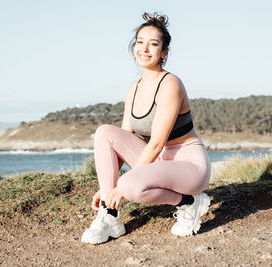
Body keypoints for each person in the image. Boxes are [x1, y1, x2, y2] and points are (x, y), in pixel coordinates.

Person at [81, 12, 211, 245]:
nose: (145, 48)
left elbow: (157, 143)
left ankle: (189, 203)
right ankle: (109, 215)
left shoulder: (170, 83)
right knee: (104, 132)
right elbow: (122, 138)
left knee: (130, 185)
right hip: (159, 162)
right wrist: (106, 189)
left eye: (153, 44)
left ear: (164, 52)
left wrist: (119, 187)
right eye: (140, 42)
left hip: (189, 166)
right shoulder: (134, 87)